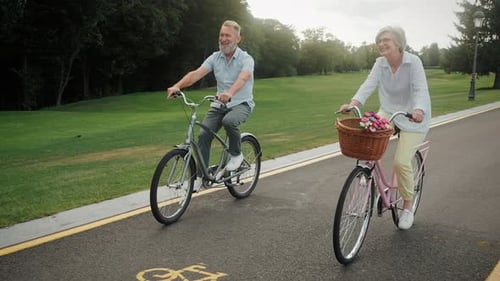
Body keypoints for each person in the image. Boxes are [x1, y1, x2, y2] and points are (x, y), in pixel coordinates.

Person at [338, 25, 431, 230]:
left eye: (386, 40)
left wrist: (419, 111)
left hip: (412, 116)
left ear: (398, 43)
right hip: (389, 110)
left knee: (401, 162)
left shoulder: (413, 62)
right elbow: (368, 85)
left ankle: (407, 207)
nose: (381, 44)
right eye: (379, 40)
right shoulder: (380, 63)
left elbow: (421, 90)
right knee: (367, 134)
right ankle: (367, 171)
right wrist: (353, 103)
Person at [166, 20, 255, 190]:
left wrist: (229, 93)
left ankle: (236, 155)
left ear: (238, 39)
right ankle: (202, 177)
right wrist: (177, 86)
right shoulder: (215, 57)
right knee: (203, 135)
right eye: (221, 35)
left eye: (227, 35)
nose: (223, 38)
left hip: (241, 104)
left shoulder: (246, 59)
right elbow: (196, 74)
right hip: (219, 105)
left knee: (229, 122)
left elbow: (243, 78)